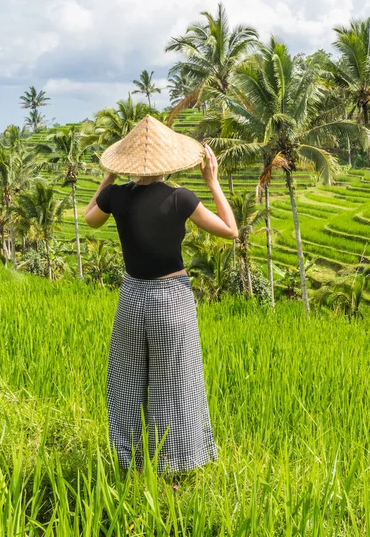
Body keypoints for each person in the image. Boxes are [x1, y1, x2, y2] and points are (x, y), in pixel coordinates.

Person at [84, 141, 238, 487]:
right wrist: (212, 180)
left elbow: (90, 219)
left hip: (131, 297)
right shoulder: (180, 197)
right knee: (174, 383)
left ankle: (129, 464)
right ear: (167, 162)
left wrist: (107, 179)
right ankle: (170, 466)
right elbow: (230, 230)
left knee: (126, 382)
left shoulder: (116, 196)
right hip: (171, 300)